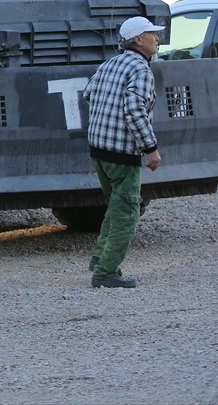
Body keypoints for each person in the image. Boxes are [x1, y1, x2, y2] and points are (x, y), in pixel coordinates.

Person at [83, 16, 164, 289]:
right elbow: (134, 110)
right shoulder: (141, 69)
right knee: (127, 211)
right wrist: (150, 148)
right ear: (138, 40)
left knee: (117, 205)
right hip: (121, 152)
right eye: (152, 34)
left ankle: (99, 257)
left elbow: (88, 94)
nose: (157, 38)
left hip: (99, 149)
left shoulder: (110, 64)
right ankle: (106, 272)